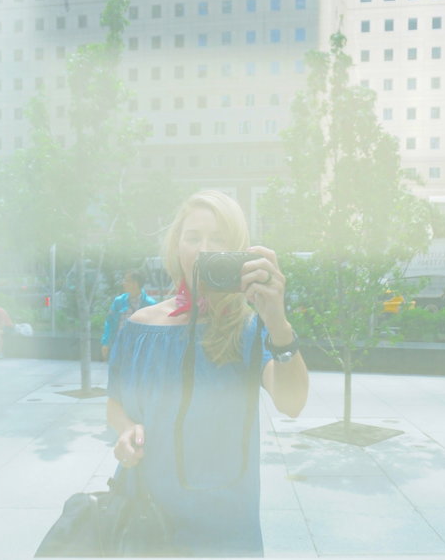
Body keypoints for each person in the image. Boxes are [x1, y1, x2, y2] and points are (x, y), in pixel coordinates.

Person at [106, 190, 309, 557]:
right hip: (145, 515)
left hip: (223, 524)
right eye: (193, 238)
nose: (202, 249)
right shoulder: (138, 326)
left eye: (218, 240)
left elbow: (292, 402)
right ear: (176, 246)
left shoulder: (250, 328)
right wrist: (125, 431)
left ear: (238, 252)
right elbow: (115, 405)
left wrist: (277, 320)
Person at [101, 270, 157, 359]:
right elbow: (109, 322)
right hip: (119, 347)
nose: (123, 283)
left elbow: (154, 329)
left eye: (127, 280)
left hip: (140, 350)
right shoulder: (118, 301)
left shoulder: (150, 304)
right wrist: (106, 343)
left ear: (135, 284)